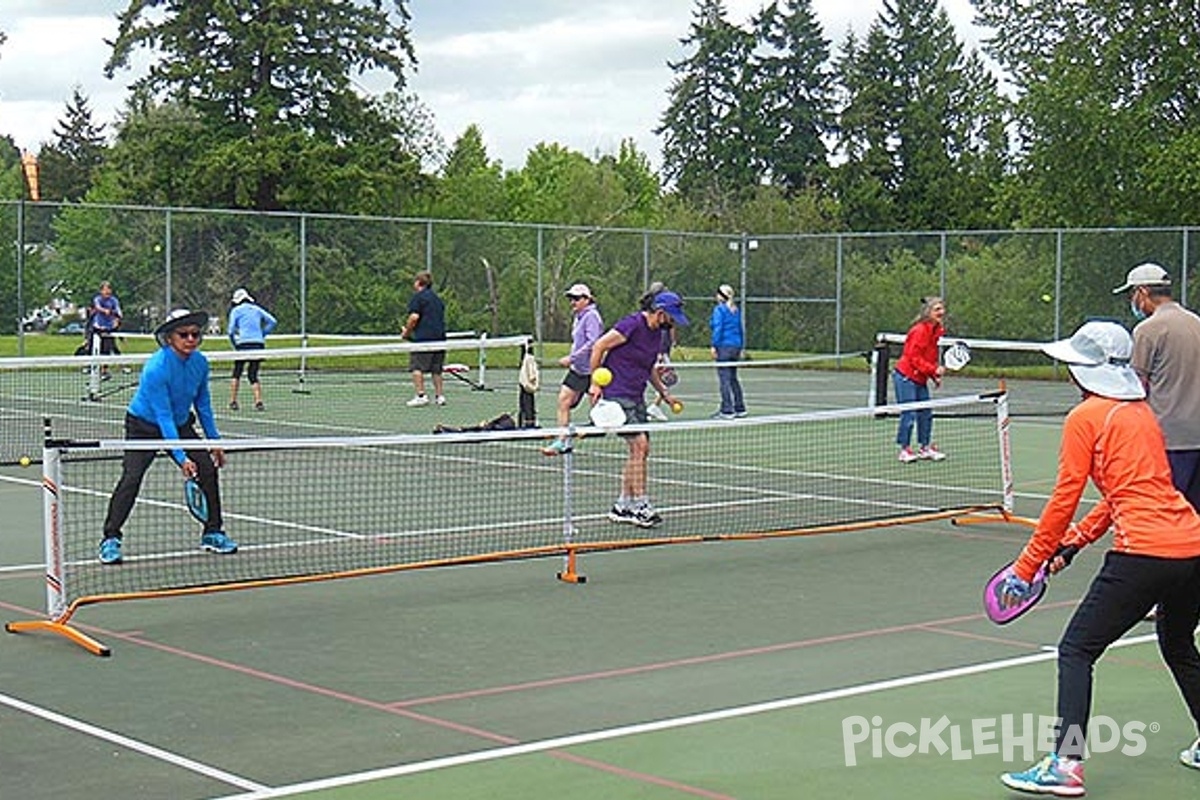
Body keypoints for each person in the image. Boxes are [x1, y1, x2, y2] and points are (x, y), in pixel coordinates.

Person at [997, 320, 1200, 796]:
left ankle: (1065, 764)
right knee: (1177, 643)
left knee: (1076, 650)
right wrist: (1074, 543)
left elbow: (1064, 498)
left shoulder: (1085, 418)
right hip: (1192, 546)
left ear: (1083, 371)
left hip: (1143, 555)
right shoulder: (1140, 414)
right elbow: (1126, 493)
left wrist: (1027, 566)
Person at [97, 309, 237, 565]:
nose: (191, 339)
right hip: (143, 427)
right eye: (184, 334)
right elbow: (163, 417)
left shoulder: (200, 363)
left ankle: (213, 532)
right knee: (132, 478)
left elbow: (203, 405)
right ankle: (110, 539)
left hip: (181, 424)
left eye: (195, 334)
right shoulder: (156, 368)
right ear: (170, 338)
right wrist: (182, 457)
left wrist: (214, 442)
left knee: (207, 469)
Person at [588, 289, 687, 527]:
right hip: (616, 395)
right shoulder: (631, 324)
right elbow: (599, 346)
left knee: (640, 451)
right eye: (671, 317)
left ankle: (622, 505)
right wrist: (594, 382)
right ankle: (641, 505)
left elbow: (649, 366)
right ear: (660, 313)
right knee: (639, 445)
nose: (673, 322)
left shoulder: (657, 335)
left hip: (636, 395)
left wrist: (664, 392)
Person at [1115, 263, 1200, 512]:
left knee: (1165, 512)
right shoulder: (1196, 322)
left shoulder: (1147, 330)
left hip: (1169, 440)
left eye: (1132, 295)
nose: (1132, 301)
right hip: (1196, 436)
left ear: (1142, 292)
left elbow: (1136, 386)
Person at [543, 283, 604, 455]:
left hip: (592, 369)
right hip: (578, 370)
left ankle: (596, 428)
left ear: (587, 299)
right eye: (571, 298)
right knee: (564, 401)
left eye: (576, 298)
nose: (573, 302)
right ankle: (563, 441)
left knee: (598, 410)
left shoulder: (592, 316)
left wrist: (572, 358)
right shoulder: (578, 316)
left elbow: (594, 343)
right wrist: (574, 360)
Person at [892, 296, 947, 463]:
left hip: (920, 377)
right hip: (905, 376)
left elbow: (928, 356)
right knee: (909, 414)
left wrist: (933, 375)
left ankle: (925, 448)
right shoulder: (919, 331)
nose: (941, 312)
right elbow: (913, 357)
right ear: (928, 312)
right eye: (937, 309)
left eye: (942, 309)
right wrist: (933, 370)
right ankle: (904, 450)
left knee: (926, 413)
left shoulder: (936, 330)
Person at [400, 271, 447, 407]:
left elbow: (414, 317)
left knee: (417, 367)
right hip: (440, 339)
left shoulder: (418, 297)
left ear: (418, 283)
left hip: (423, 340)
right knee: (436, 369)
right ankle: (440, 396)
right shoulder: (438, 299)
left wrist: (407, 333)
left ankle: (421, 395)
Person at [227, 288, 278, 412]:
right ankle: (258, 401)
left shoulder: (236, 311)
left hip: (243, 344)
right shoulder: (257, 309)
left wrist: (235, 344)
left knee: (236, 372)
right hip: (258, 344)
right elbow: (273, 321)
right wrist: (261, 334)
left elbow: (230, 331)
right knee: (253, 374)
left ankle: (233, 401)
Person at [709, 283, 746, 419]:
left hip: (724, 347)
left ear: (721, 296)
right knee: (733, 378)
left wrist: (714, 345)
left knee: (724, 378)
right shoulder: (736, 310)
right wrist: (741, 346)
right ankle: (740, 407)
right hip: (735, 347)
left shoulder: (719, 310)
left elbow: (718, 328)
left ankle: (727, 410)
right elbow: (741, 330)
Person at [89, 281, 123, 378]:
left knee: (107, 349)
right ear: (101, 291)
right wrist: (104, 310)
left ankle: (104, 370)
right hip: (98, 328)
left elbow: (118, 310)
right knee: (94, 347)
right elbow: (98, 307)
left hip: (109, 329)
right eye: (105, 289)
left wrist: (118, 316)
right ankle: (91, 368)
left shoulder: (114, 300)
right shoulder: (97, 299)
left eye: (109, 289)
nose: (107, 291)